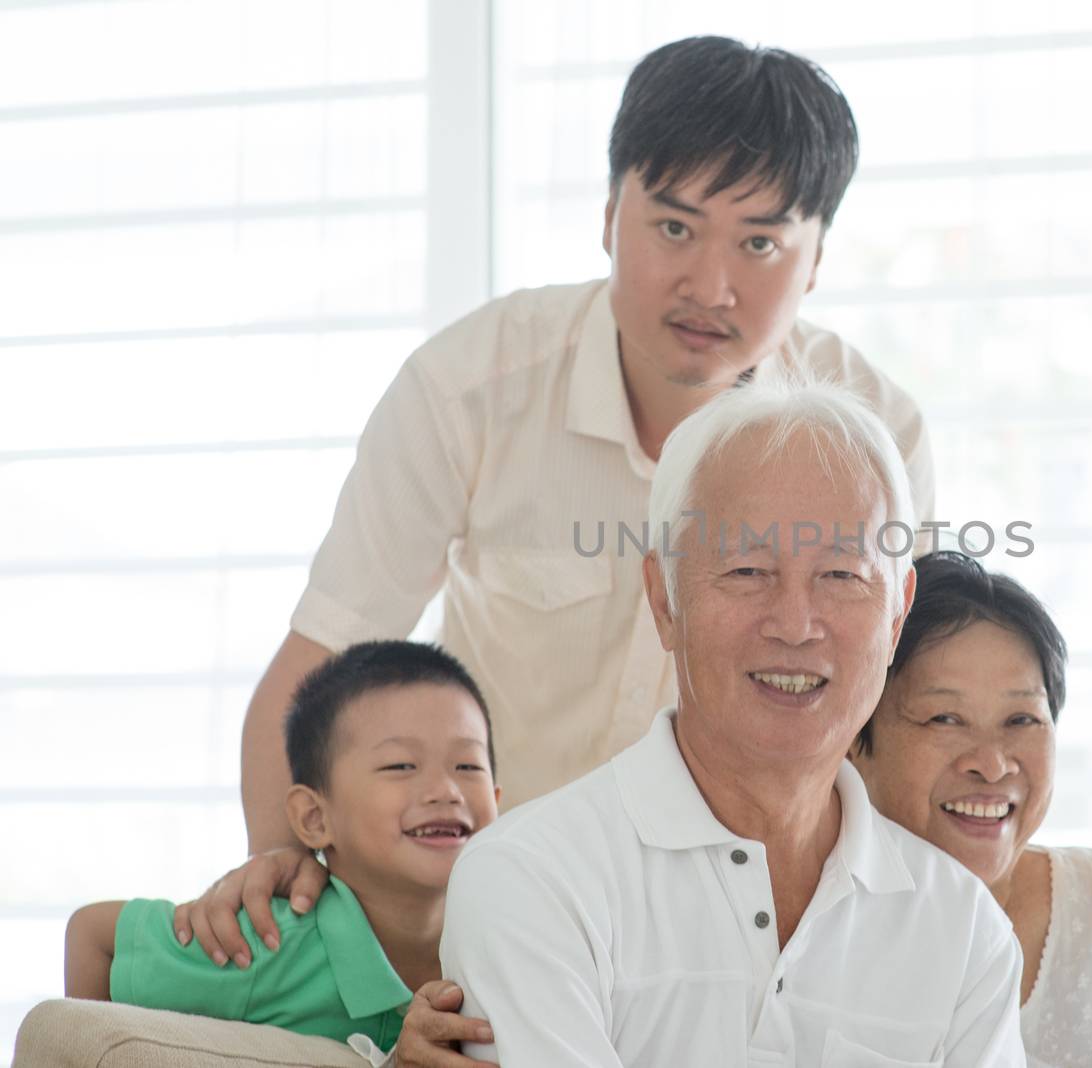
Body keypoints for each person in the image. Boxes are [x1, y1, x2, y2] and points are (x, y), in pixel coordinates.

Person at [175, 34, 935, 974]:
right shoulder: (471, 386)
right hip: (478, 920)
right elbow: (319, 661)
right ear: (610, 212)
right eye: (672, 227)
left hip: (739, 935)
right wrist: (294, 896)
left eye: (762, 242)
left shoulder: (874, 439)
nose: (709, 284)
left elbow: (892, 719)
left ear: (817, 260)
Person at [437, 375, 1023, 1065]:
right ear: (664, 601)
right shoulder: (534, 879)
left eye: (842, 576)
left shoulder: (963, 931)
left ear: (897, 614)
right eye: (747, 571)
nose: (796, 626)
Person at [850, 552, 1092, 1067]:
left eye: (1022, 719)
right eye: (945, 718)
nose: (991, 765)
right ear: (856, 740)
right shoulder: (812, 931)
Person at [63, 642, 500, 1057]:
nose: (446, 790)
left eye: (468, 766)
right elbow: (93, 936)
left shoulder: (514, 945)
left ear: (499, 801)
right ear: (314, 818)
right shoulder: (263, 946)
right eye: (401, 765)